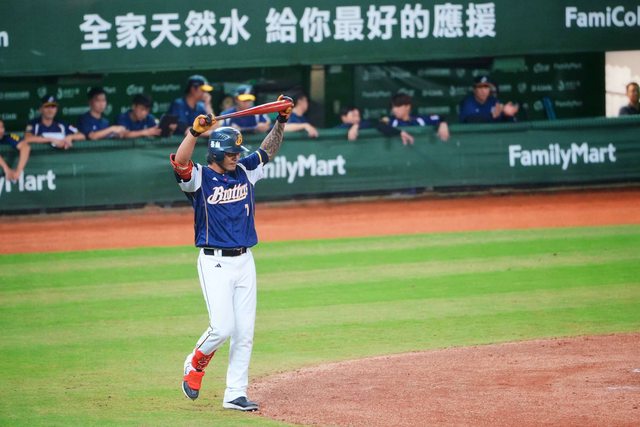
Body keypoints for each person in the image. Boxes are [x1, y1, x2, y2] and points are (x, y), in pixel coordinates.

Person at [170, 95, 292, 412]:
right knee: (222, 327)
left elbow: (267, 150)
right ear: (215, 153)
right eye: (231, 153)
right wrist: (193, 133)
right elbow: (180, 163)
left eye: (238, 152)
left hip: (245, 261)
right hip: (215, 262)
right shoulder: (200, 178)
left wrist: (281, 119)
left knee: (244, 333)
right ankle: (195, 362)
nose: (237, 157)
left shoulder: (244, 170)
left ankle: (235, 393)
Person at [337, 106, 414, 145]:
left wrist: (399, 132)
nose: (357, 118)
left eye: (358, 116)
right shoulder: (338, 129)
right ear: (344, 117)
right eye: (353, 115)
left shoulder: (362, 124)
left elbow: (376, 123)